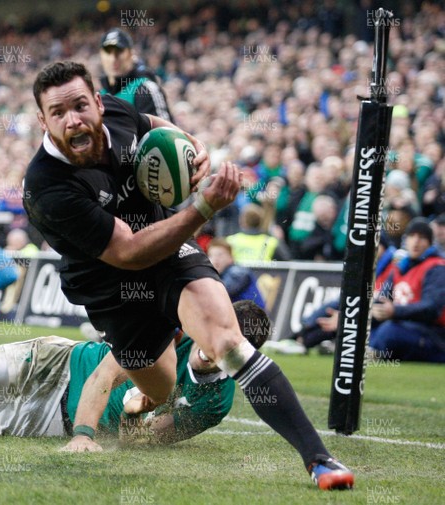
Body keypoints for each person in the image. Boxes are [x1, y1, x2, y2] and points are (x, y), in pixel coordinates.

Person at [22, 61, 354, 490]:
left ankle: (319, 459)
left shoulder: (119, 115)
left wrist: (193, 148)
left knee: (229, 343)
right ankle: (142, 399)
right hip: (110, 288)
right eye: (59, 112)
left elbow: (155, 123)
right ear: (42, 120)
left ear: (98, 103)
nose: (74, 119)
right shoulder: (46, 186)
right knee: (159, 390)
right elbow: (128, 252)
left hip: (168, 252)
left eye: (81, 105)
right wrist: (203, 209)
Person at [0, 284, 270, 443]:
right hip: (57, 364)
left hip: (52, 421)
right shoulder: (174, 332)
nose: (214, 350)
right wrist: (85, 436)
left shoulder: (216, 404)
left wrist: (133, 418)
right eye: (217, 337)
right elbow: (106, 372)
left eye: (231, 350)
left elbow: (149, 438)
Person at [370, 218, 445, 363]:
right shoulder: (399, 268)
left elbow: (431, 308)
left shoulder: (438, 268)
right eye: (412, 236)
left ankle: (372, 353)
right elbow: (381, 301)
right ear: (406, 240)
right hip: (404, 326)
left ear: (430, 243)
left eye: (422, 237)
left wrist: (395, 311)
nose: (416, 242)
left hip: (433, 334)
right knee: (364, 326)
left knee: (389, 331)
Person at [99, 28, 173, 121]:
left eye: (119, 52)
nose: (113, 59)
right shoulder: (100, 95)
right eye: (108, 52)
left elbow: (165, 133)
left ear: (131, 53)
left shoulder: (145, 89)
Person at [206, 238, 265, 308]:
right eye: (211, 255)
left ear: (231, 257)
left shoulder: (239, 273)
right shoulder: (218, 274)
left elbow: (221, 293)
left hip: (251, 316)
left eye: (220, 255)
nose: (215, 259)